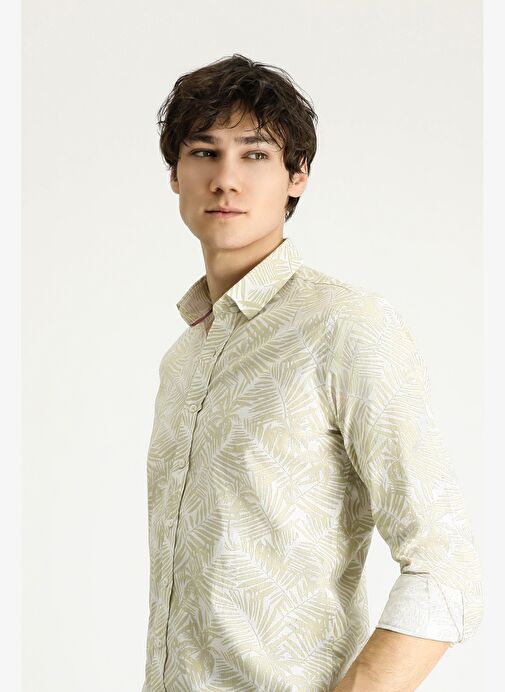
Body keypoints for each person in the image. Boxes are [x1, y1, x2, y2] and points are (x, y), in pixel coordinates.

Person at [141, 54, 484, 692]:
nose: (226, 180)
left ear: (297, 176)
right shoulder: (182, 359)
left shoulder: (344, 326)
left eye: (256, 155)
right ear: (175, 175)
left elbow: (446, 569)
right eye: (204, 152)